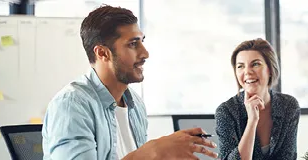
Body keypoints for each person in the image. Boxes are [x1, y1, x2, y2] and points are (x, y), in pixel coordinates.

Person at [42, 5, 218, 160]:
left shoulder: (135, 105)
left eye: (142, 41)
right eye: (133, 44)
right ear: (102, 53)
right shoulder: (72, 105)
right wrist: (152, 152)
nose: (145, 53)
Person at [215, 38, 301, 160]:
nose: (247, 72)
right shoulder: (226, 112)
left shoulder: (288, 106)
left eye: (255, 64)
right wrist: (252, 121)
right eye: (240, 66)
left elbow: (288, 157)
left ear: (270, 69)